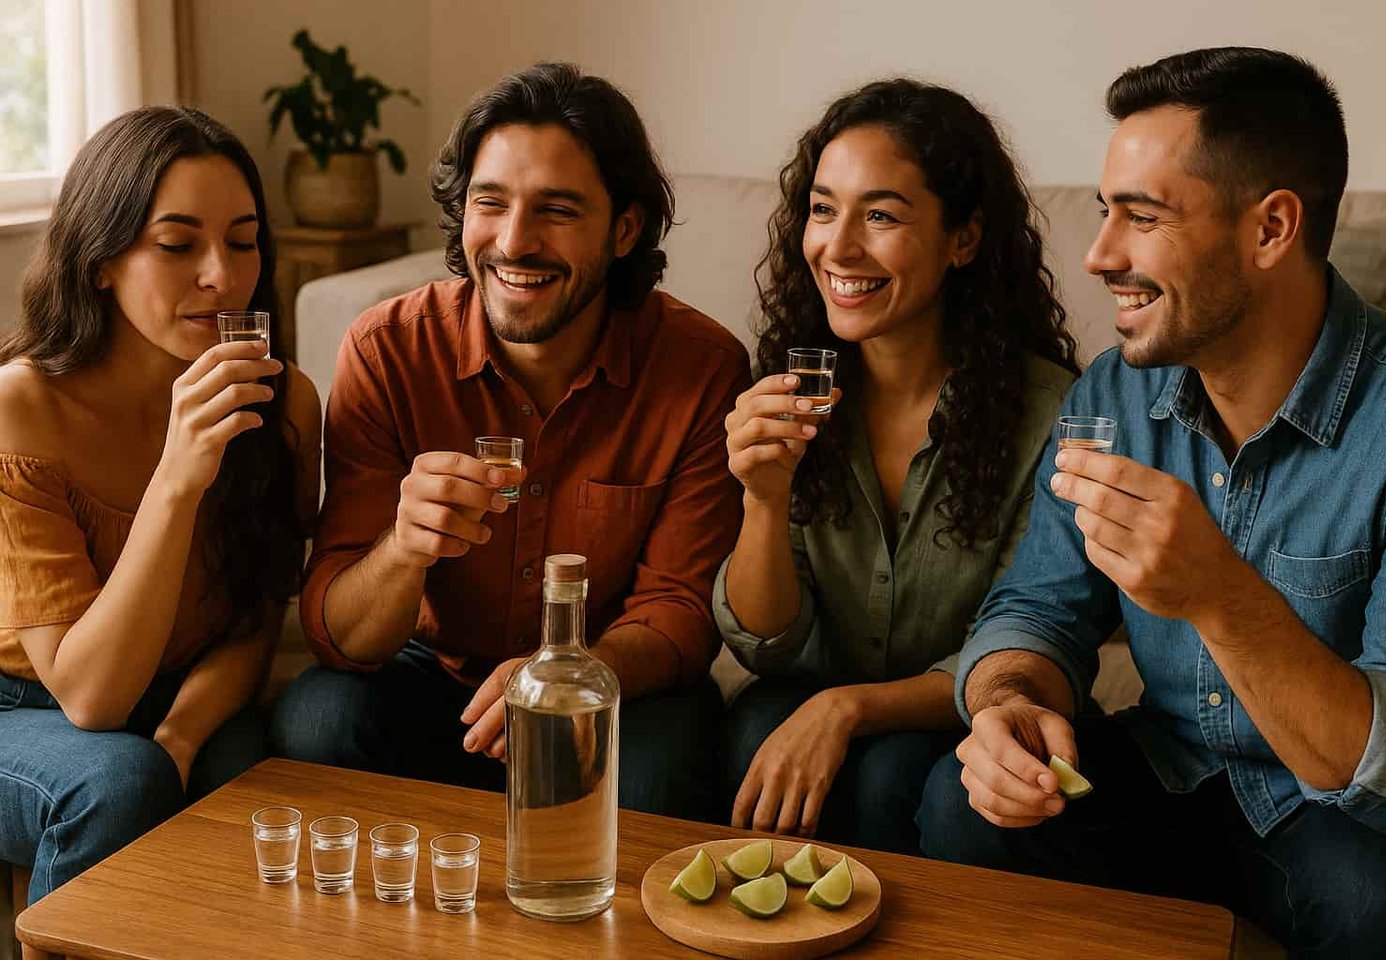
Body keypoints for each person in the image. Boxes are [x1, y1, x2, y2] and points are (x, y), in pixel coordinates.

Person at [916, 47, 1386, 957]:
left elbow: (1385, 758)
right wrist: (1010, 700)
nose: (1099, 253)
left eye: (1143, 217)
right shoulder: (1114, 394)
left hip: (1340, 814)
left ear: (1271, 228)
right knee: (955, 805)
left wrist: (1216, 591)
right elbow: (1038, 607)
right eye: (1105, 210)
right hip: (1165, 768)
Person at [270, 63, 750, 821]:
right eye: (489, 203)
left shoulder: (702, 368)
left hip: (607, 671)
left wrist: (569, 674)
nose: (515, 242)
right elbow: (339, 634)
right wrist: (402, 546)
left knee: (667, 766)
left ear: (625, 229)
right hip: (437, 672)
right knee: (317, 719)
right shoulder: (387, 350)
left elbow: (680, 610)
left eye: (557, 211)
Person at [715, 78, 1078, 854]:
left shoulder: (1047, 413)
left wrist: (848, 708)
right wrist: (763, 500)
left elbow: (1027, 636)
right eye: (821, 208)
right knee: (754, 726)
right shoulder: (789, 389)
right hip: (804, 692)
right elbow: (766, 646)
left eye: (879, 215)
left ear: (964, 239)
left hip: (964, 715)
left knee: (891, 775)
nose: (838, 247)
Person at [0, 107, 321, 902]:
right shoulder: (22, 408)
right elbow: (90, 694)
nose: (222, 274)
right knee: (119, 778)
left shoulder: (284, 404)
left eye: (243, 242)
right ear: (100, 260)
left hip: (177, 687)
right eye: (177, 245)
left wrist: (180, 736)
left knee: (272, 782)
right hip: (26, 700)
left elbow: (255, 616)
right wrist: (178, 479)